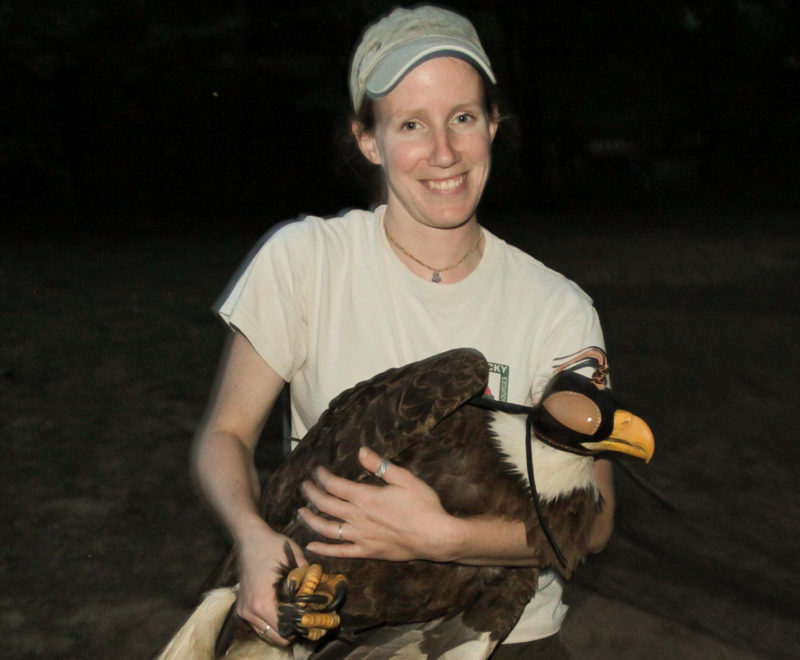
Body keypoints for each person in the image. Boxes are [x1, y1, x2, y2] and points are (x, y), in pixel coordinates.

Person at [192, 5, 614, 658]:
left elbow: (596, 516)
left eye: (463, 118)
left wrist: (444, 538)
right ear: (369, 140)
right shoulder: (308, 261)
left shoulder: (556, 308)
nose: (444, 151)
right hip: (336, 620)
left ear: (493, 125)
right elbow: (226, 433)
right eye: (411, 124)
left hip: (497, 630)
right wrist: (251, 537)